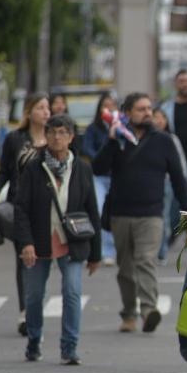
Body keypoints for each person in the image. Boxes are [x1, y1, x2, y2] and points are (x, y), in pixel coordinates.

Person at [92, 92, 187, 333]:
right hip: (120, 214)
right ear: (127, 114)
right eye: (141, 109)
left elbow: (178, 178)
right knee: (125, 267)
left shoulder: (164, 140)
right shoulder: (118, 138)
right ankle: (128, 314)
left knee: (145, 260)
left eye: (149, 108)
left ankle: (148, 310)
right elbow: (98, 168)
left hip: (152, 214)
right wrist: (112, 141)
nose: (148, 113)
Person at [14, 114, 101, 364]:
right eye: (52, 132)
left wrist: (95, 254)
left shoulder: (81, 168)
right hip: (39, 241)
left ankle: (69, 347)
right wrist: (26, 243)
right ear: (46, 136)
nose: (56, 137)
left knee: (72, 292)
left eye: (62, 132)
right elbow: (21, 208)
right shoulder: (34, 167)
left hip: (71, 242)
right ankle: (34, 339)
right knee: (33, 296)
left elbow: (91, 210)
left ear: (71, 137)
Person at [0, 92, 50, 336]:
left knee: (44, 258)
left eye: (47, 108)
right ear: (29, 112)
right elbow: (4, 171)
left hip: (48, 208)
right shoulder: (16, 138)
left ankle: (36, 303)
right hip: (19, 206)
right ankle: (26, 310)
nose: (46, 112)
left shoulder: (55, 136)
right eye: (40, 108)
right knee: (23, 257)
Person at [82, 91, 119, 267]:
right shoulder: (93, 128)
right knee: (99, 209)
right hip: (98, 175)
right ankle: (105, 250)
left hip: (117, 176)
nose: (109, 108)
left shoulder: (121, 126)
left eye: (112, 105)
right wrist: (101, 158)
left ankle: (116, 248)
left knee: (115, 212)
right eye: (106, 105)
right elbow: (86, 148)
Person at [152, 107, 187, 265]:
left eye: (162, 117)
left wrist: (183, 180)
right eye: (155, 117)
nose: (159, 120)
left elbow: (180, 162)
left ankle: (162, 251)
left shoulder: (172, 138)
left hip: (166, 182)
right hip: (151, 183)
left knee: (165, 217)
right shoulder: (147, 138)